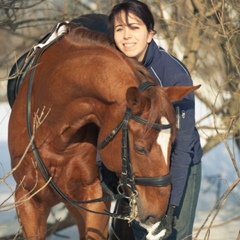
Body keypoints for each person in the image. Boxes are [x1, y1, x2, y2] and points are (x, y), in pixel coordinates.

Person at [107, 0, 203, 239]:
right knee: (143, 234)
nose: (126, 36)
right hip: (138, 166)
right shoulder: (113, 70)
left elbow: (184, 145)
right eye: (119, 29)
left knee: (175, 235)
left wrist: (172, 208)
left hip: (179, 164)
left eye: (134, 27)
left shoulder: (173, 74)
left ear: (150, 34)